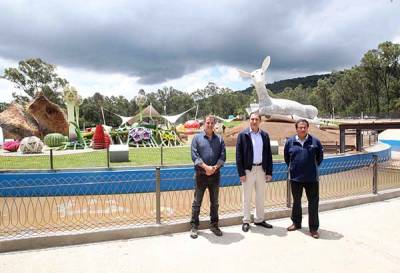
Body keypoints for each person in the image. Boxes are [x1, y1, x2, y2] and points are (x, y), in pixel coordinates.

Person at [284, 119, 324, 239]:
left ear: (307, 128)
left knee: (313, 204)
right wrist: (294, 168)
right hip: (295, 178)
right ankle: (296, 223)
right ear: (296, 129)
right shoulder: (290, 142)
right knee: (296, 202)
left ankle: (313, 228)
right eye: (300, 127)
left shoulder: (315, 142)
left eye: (304, 127)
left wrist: (310, 167)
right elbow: (287, 158)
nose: (302, 129)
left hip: (312, 178)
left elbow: (319, 158)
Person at [236, 112, 273, 232]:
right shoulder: (243, 135)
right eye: (252, 119)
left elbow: (268, 154)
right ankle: (246, 220)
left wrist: (269, 172)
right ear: (249, 120)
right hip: (248, 170)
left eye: (256, 119)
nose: (254, 121)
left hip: (261, 169)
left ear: (260, 121)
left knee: (260, 196)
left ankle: (259, 219)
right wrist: (241, 173)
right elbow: (238, 155)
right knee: (246, 197)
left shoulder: (265, 135)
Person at [190, 115, 226, 239]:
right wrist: (206, 168)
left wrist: (214, 168)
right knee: (197, 202)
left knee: (215, 203)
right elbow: (195, 156)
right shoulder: (196, 138)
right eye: (207, 122)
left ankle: (214, 225)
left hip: (215, 176)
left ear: (214, 124)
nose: (210, 125)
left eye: (212, 123)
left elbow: (222, 157)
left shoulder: (220, 140)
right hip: (201, 176)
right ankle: (194, 226)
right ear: (204, 124)